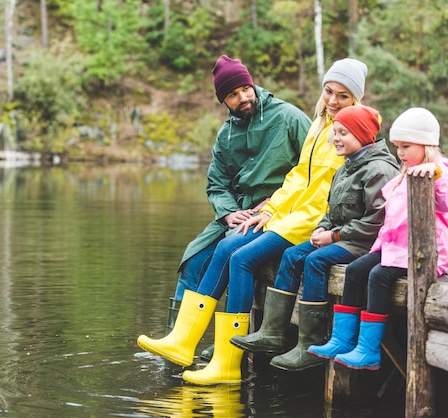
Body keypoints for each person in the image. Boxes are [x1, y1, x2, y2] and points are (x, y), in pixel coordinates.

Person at [138, 58, 369, 385]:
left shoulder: (333, 126)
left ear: (356, 99)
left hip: (310, 220)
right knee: (215, 252)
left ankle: (225, 360)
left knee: (239, 256)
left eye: (343, 96)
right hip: (280, 211)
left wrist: (293, 217)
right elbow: (297, 177)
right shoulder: (319, 123)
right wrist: (267, 210)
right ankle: (186, 343)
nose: (333, 100)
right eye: (329, 92)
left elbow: (340, 187)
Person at [230, 105, 399, 372]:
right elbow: (330, 209)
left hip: (363, 243)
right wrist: (322, 229)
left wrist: (333, 236)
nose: (336, 139)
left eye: (344, 133)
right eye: (335, 132)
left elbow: (377, 221)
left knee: (317, 261)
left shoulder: (378, 169)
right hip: (340, 236)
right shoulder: (346, 166)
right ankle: (272, 333)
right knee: (292, 254)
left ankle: (309, 344)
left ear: (363, 134)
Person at [165, 55, 312, 340]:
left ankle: (225, 343)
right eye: (233, 94)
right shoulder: (226, 135)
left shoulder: (289, 118)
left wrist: (275, 203)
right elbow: (217, 184)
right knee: (193, 260)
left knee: (233, 253)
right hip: (238, 215)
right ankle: (176, 343)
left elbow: (313, 171)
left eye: (246, 88)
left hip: (280, 212)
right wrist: (229, 212)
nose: (243, 97)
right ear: (223, 101)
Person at [308, 107, 448, 370]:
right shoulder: (403, 174)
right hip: (395, 246)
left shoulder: (439, 173)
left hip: (423, 251)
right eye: (397, 146)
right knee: (356, 270)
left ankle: (368, 350)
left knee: (378, 277)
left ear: (426, 145)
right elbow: (391, 220)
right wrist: (377, 247)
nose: (400, 153)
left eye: (406, 147)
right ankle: (342, 339)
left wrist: (434, 175)